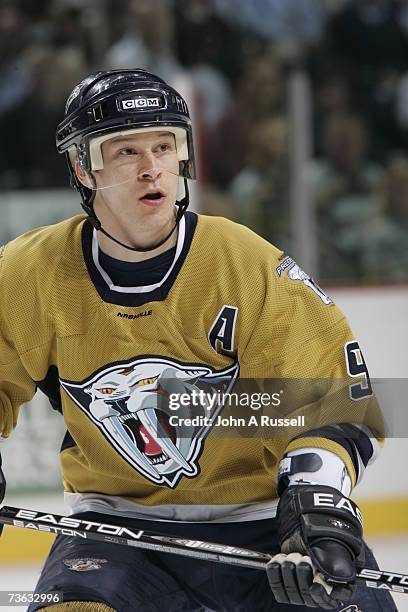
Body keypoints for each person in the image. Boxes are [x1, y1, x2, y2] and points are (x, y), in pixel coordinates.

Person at [0, 69, 396, 611]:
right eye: (125, 152)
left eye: (164, 146)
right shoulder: (28, 274)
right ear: (81, 168)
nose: (150, 169)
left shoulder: (245, 264)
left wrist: (316, 501)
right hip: (117, 528)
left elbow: (327, 396)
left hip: (260, 526)